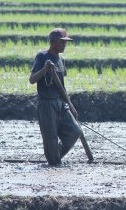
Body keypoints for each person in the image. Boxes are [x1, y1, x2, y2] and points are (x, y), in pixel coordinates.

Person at [29, 28, 81, 166]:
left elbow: (62, 86)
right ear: (53, 42)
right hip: (46, 103)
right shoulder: (42, 57)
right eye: (62, 42)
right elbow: (32, 79)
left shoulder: (60, 60)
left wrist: (70, 105)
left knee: (75, 131)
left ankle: (55, 156)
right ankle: (54, 162)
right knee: (50, 138)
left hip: (60, 102)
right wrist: (44, 70)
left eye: (65, 43)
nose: (65, 45)